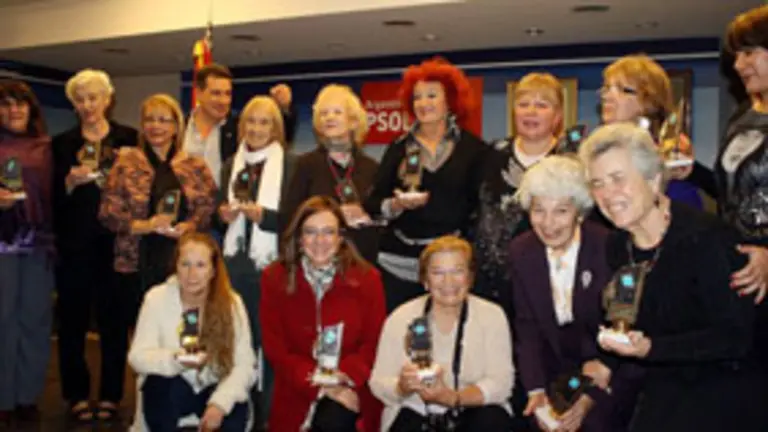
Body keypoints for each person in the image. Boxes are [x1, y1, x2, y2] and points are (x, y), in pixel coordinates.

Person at [579, 123, 767, 431]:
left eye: (618, 179)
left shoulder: (705, 239)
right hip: (666, 384)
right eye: (597, 183)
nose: (607, 194)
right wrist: (606, 361)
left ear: (653, 180)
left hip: (728, 389)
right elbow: (629, 318)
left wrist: (651, 349)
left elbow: (735, 337)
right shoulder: (617, 245)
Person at [99, 94, 217, 408]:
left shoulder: (193, 165)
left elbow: (208, 209)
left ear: (177, 125)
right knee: (131, 330)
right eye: (150, 119)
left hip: (181, 262)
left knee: (177, 329)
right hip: (134, 259)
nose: (156, 126)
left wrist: (189, 226)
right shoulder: (125, 162)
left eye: (164, 119)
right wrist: (146, 225)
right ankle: (120, 398)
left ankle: (178, 395)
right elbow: (108, 213)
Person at [507, 155, 630, 432]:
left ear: (580, 211)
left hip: (608, 364)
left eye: (561, 211)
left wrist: (590, 397)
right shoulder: (521, 251)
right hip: (553, 371)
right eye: (539, 210)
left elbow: (624, 325)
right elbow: (527, 329)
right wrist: (535, 391)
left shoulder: (608, 246)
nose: (548, 223)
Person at [364, 57, 488, 313]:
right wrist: (395, 204)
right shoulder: (398, 148)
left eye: (432, 95)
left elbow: (481, 208)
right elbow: (373, 203)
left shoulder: (473, 149)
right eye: (417, 97)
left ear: (450, 100)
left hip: (450, 268)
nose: (423, 103)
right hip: (398, 265)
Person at [51, 68, 139, 423]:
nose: (88, 105)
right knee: (72, 323)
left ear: (108, 99)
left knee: (114, 323)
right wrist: (69, 183)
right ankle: (76, 394)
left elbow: (140, 192)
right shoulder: (61, 144)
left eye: (94, 97)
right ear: (73, 104)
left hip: (115, 244)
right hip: (74, 246)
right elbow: (50, 197)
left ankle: (111, 394)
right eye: (80, 99)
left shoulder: (128, 139)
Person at [260, 196, 386, 432]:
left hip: (350, 387)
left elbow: (373, 344)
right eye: (311, 232)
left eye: (328, 232)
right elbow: (276, 348)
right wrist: (319, 386)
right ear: (299, 239)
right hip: (297, 386)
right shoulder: (274, 278)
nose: (320, 241)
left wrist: (340, 379)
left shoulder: (368, 280)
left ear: (341, 238)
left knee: (334, 420)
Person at [369, 235, 513, 431]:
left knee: (492, 418)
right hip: (418, 413)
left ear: (470, 278)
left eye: (457, 271)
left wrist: (454, 398)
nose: (448, 282)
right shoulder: (401, 317)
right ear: (425, 280)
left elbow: (502, 383)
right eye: (438, 273)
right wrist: (402, 387)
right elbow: (378, 383)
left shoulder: (492, 315)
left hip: (471, 410)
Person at [217, 95, 296, 430]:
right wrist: (224, 215)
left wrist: (265, 217)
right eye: (251, 121)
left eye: (265, 122)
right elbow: (223, 216)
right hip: (235, 266)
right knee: (238, 343)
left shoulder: (291, 165)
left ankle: (269, 415)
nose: (257, 128)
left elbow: (296, 219)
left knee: (273, 346)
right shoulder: (228, 165)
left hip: (274, 266)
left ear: (276, 127)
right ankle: (239, 411)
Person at [128, 232, 255, 431]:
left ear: (213, 270)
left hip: (214, 386)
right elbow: (137, 357)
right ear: (176, 266)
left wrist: (220, 403)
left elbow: (246, 364)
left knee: (235, 408)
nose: (191, 274)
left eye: (200, 265)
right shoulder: (156, 298)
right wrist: (175, 360)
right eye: (185, 264)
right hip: (173, 388)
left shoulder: (232, 303)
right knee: (157, 384)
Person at [474, 72, 567, 304]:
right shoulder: (489, 155)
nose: (531, 112)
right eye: (523, 104)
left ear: (557, 117)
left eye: (541, 105)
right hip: (490, 285)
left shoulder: (571, 161)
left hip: (552, 283)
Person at [0, 80, 54, 427]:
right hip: (1, 246)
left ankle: (27, 396)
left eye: (20, 104)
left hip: (38, 244)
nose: (14, 110)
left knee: (34, 323)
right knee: (2, 322)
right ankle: (3, 397)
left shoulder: (48, 147)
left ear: (31, 109)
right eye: (5, 104)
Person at [282, 84, 380, 263]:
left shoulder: (371, 167)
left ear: (353, 121)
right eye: (324, 113)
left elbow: (381, 216)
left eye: (336, 112)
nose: (329, 117)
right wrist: (332, 214)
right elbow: (290, 217)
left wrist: (366, 217)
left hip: (361, 260)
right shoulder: (305, 165)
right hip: (317, 260)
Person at [598, 54, 707, 208]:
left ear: (648, 100)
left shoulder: (670, 155)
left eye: (621, 89)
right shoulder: (597, 152)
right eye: (606, 88)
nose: (607, 96)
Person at [184, 63, 297, 187]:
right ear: (198, 93)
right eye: (216, 93)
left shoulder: (240, 127)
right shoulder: (180, 128)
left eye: (228, 94)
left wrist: (285, 108)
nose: (223, 101)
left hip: (227, 203)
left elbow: (280, 137)